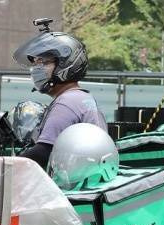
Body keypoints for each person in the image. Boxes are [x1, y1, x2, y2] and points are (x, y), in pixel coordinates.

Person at [12, 19, 107, 169]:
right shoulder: (82, 98)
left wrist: (4, 165)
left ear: (65, 64)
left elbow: (43, 153)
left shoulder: (66, 103)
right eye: (35, 63)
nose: (36, 69)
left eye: (43, 62)